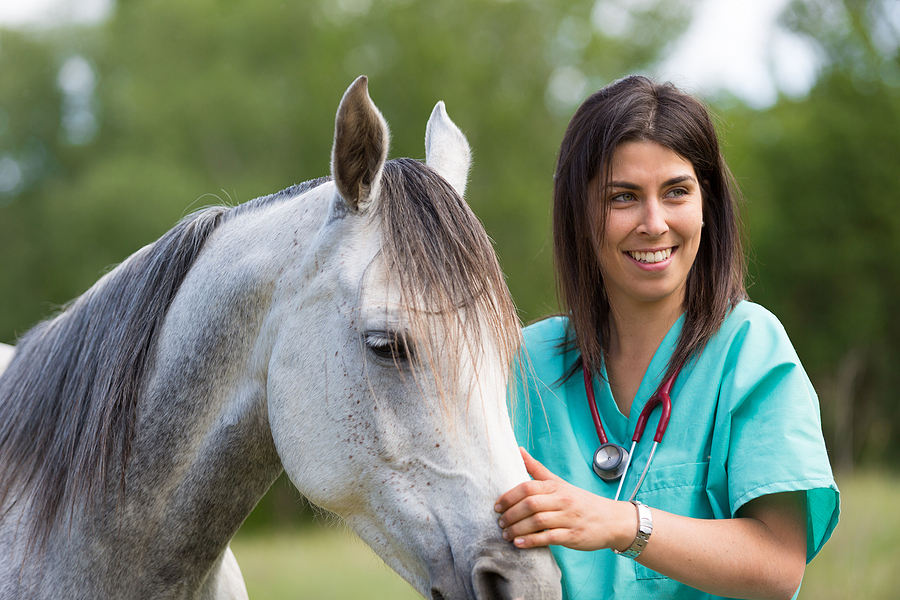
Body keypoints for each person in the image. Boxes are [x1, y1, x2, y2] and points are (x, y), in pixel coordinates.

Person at [494, 76, 839, 599]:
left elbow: (777, 565)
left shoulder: (749, 348)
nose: (654, 224)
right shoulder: (522, 363)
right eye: (623, 197)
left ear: (707, 206)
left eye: (676, 192)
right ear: (579, 214)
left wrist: (622, 524)